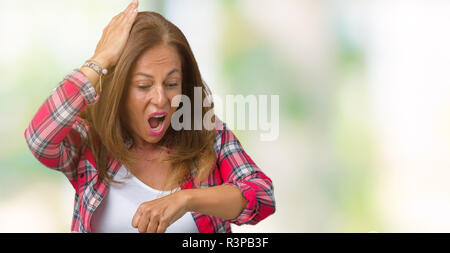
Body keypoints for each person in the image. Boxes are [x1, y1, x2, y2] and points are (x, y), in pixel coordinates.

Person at [24, 0, 275, 233]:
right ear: (118, 90)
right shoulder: (90, 142)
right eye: (144, 86)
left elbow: (262, 196)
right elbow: (40, 138)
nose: (160, 98)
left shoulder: (207, 135)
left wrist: (186, 199)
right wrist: (99, 62)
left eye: (172, 83)